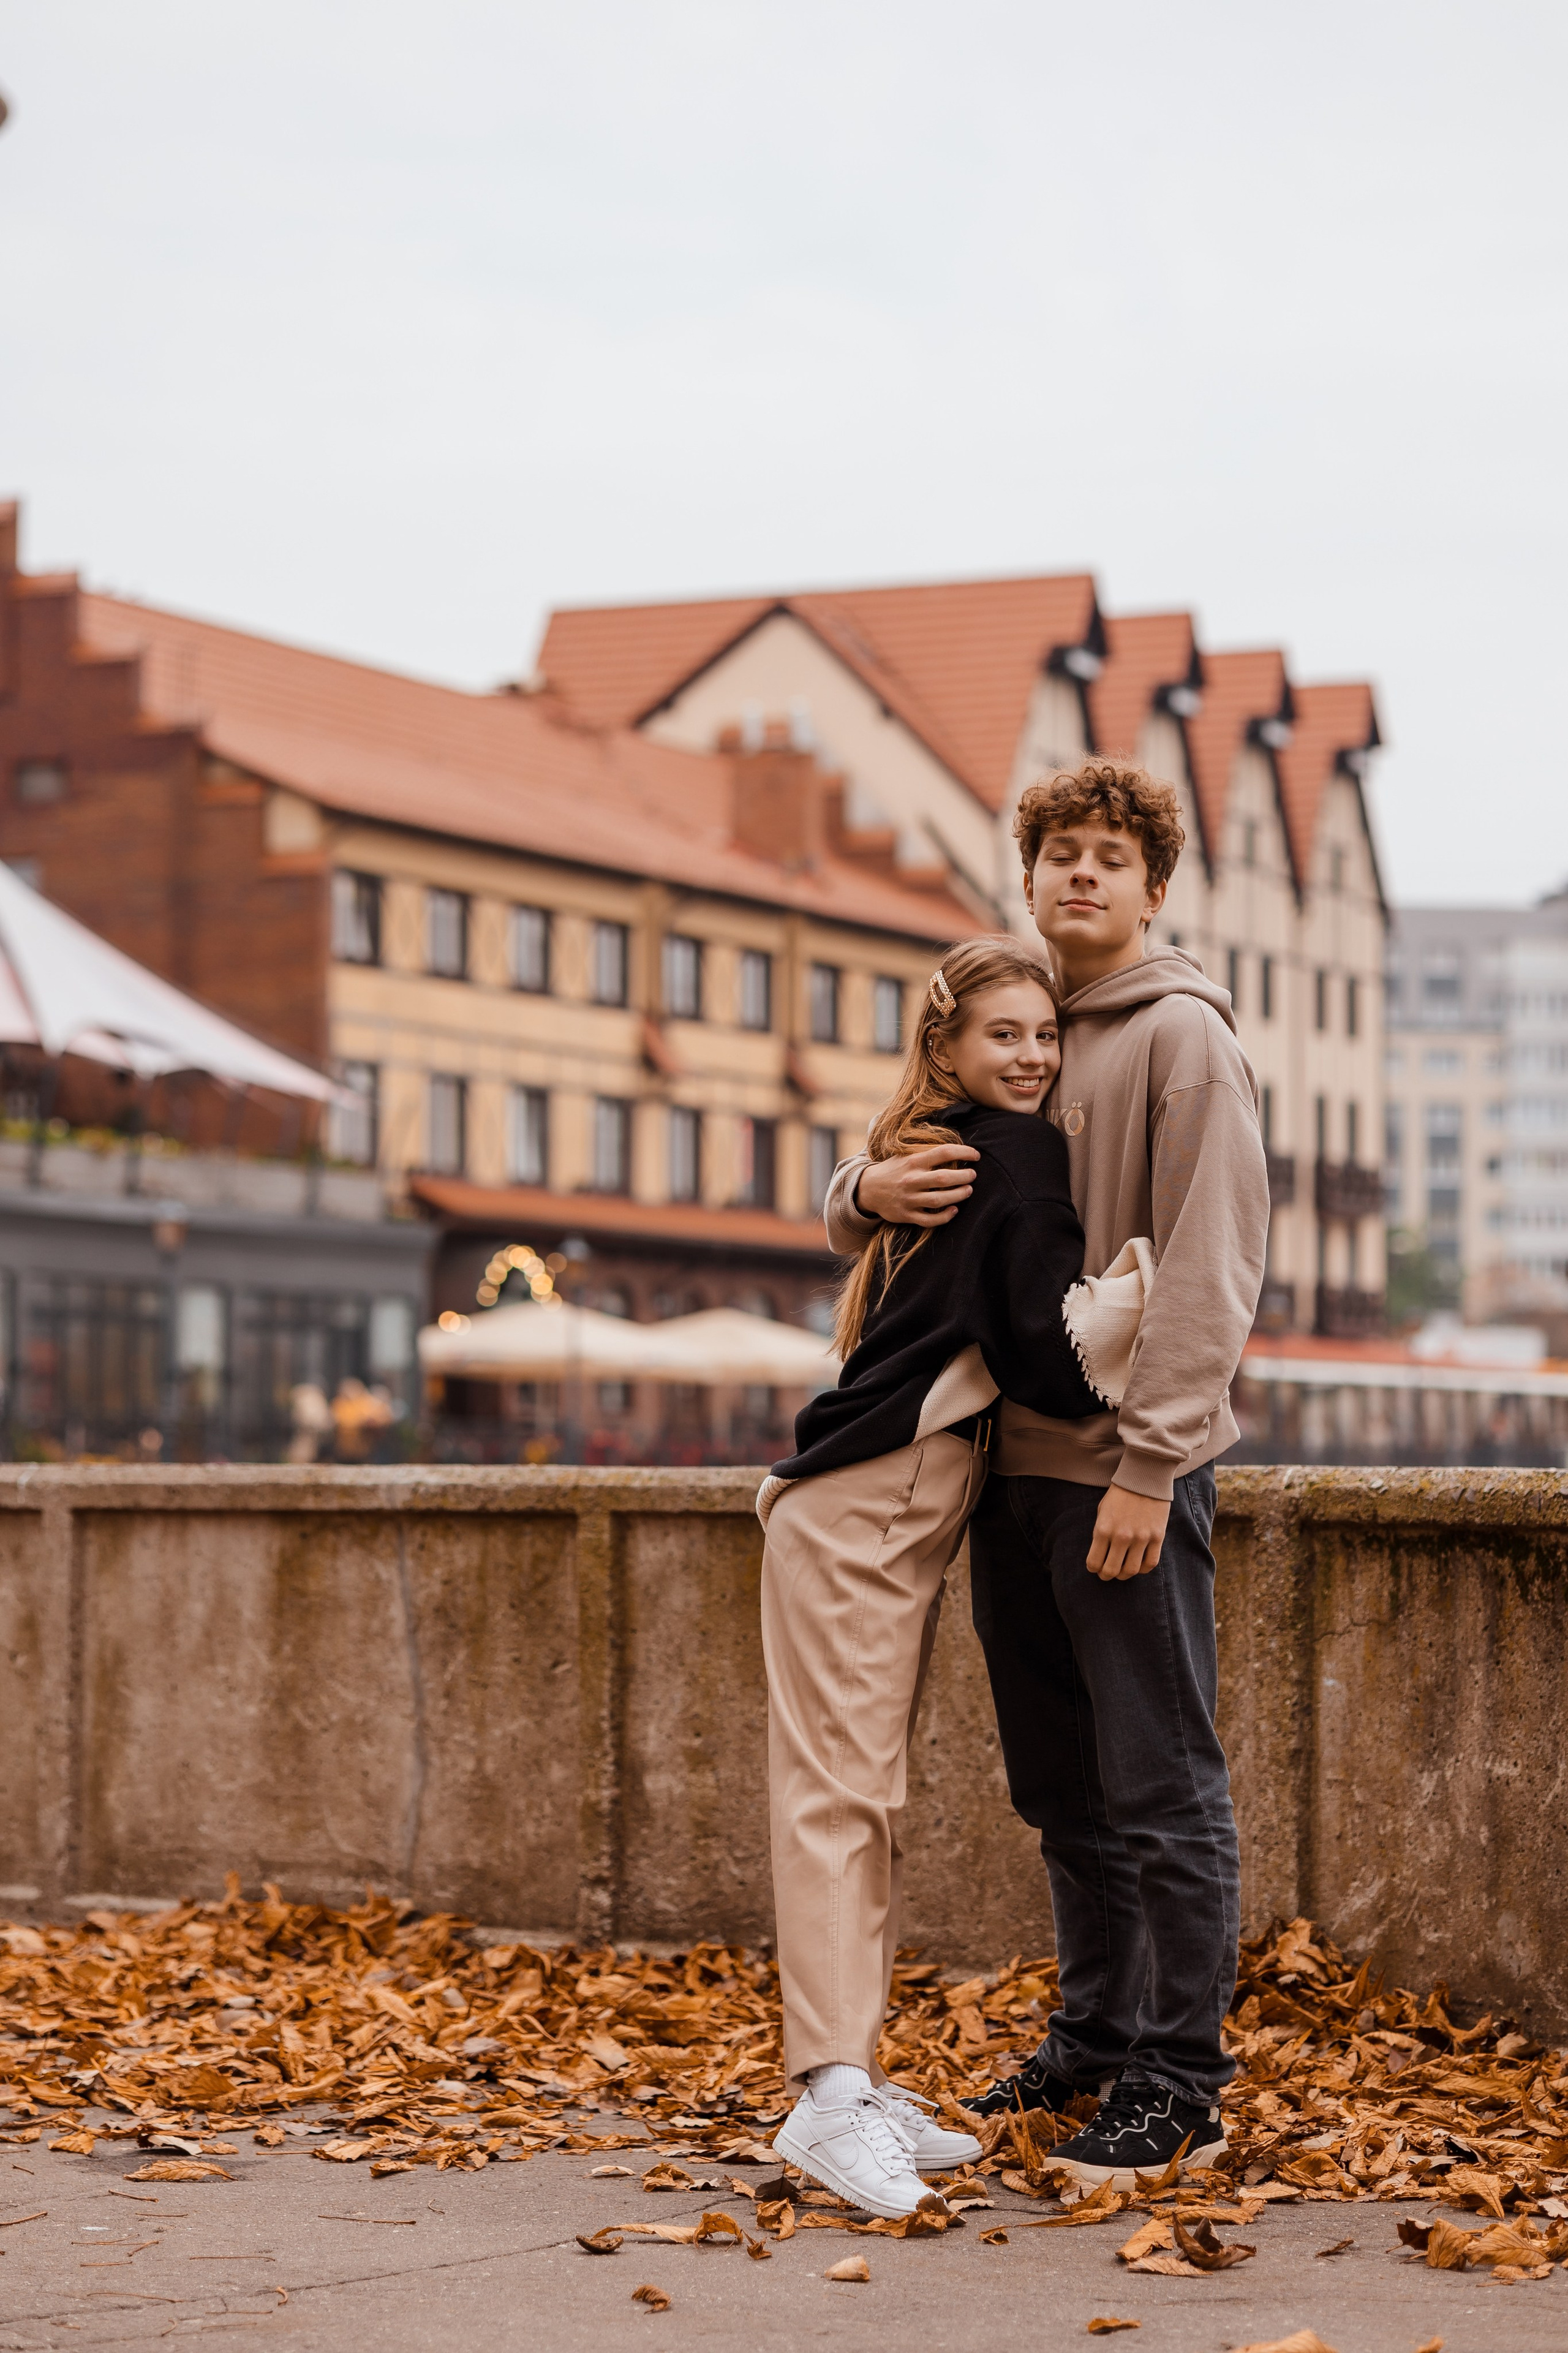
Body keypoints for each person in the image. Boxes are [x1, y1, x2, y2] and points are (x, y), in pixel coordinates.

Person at [823, 758, 1270, 2189]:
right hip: (1008, 1475)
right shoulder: (1024, 1034)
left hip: (1119, 1475)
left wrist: (1151, 1465)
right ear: (1027, 882)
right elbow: (910, 1170)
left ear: (1151, 885)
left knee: (1161, 1782)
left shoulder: (1181, 1041)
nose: (1078, 875)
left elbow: (1212, 1262)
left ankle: (1178, 2079)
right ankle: (1091, 2035)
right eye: (1056, 854)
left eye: (1106, 856)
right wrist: (852, 1192)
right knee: (1059, 1788)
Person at [762, 935, 1104, 2218]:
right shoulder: (1013, 1155)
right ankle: (830, 2092)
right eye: (1002, 1035)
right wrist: (1130, 1340)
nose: (1028, 1056)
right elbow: (1039, 1354)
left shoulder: (942, 1149)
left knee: (863, 1788)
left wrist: (855, 1186)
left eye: (1042, 1036)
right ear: (947, 1049)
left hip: (868, 1504)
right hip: (863, 1505)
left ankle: (850, 2078)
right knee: (837, 1794)